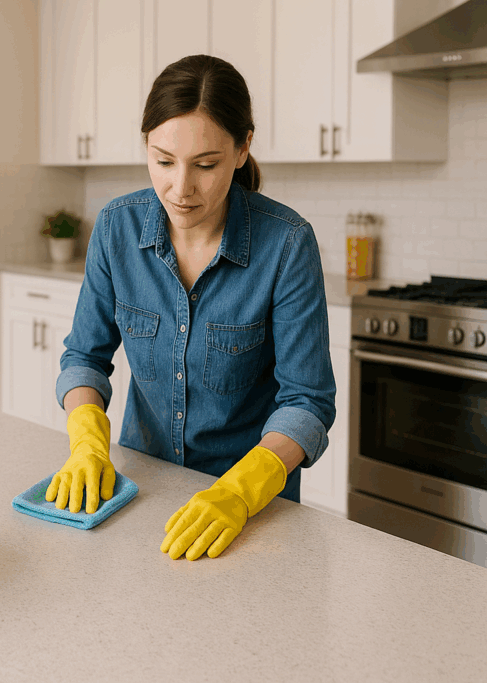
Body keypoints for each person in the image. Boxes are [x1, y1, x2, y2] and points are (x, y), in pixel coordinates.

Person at [45, 55, 335, 561]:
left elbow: (306, 402)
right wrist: (87, 440)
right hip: (141, 489)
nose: (181, 189)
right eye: (163, 161)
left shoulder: (287, 244)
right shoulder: (117, 228)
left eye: (205, 165)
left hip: (252, 512)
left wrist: (239, 492)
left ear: (243, 148)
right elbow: (85, 359)